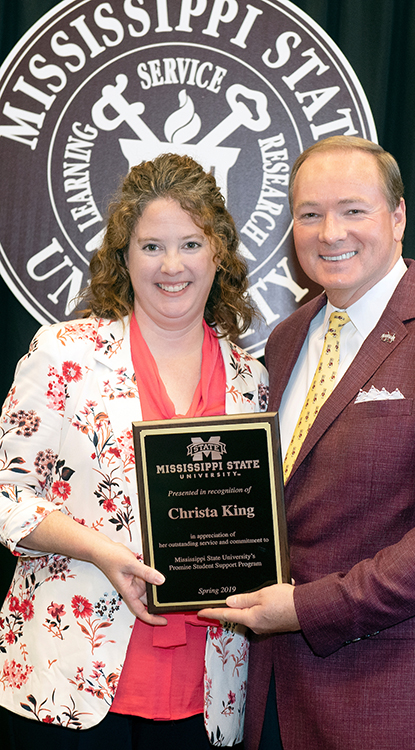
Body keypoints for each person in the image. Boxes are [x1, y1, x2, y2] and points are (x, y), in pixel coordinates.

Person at [199, 136, 415, 749]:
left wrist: (310, 609)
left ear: (398, 216)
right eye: (309, 214)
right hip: (278, 698)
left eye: (353, 210)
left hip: (399, 704)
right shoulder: (285, 340)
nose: (329, 231)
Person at [0, 152, 268, 749]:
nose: (172, 266)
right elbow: (8, 497)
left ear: (218, 252)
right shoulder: (63, 356)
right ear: (122, 256)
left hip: (210, 691)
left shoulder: (252, 378)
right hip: (71, 680)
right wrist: (102, 551)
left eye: (191, 244)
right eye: (151, 247)